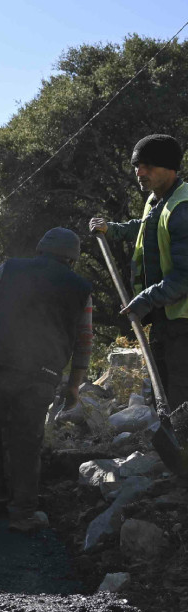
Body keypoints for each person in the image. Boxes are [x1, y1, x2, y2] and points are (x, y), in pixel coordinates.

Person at [0, 228, 94, 532]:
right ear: (72, 258)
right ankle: (23, 515)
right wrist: (73, 385)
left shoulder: (11, 268)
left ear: (40, 248)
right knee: (26, 443)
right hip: (40, 374)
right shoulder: (81, 289)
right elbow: (84, 342)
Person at [89, 133, 188, 411]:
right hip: (166, 318)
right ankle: (171, 451)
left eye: (148, 166)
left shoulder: (182, 209)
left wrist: (144, 299)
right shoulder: (158, 199)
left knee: (182, 397)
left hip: (183, 323)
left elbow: (185, 276)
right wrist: (113, 229)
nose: (139, 172)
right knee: (164, 394)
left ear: (170, 167)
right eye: (136, 166)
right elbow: (146, 227)